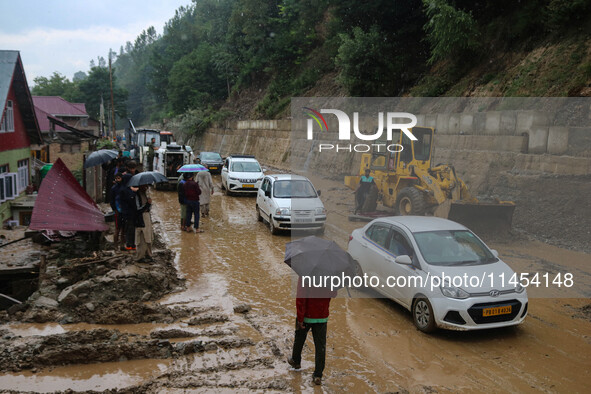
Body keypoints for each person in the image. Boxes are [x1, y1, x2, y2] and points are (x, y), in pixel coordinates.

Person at [288, 276, 337, 385]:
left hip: (306, 316)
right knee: (320, 346)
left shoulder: (305, 272)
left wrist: (300, 318)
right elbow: (333, 294)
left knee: (299, 338)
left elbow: (301, 297)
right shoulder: (331, 274)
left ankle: (296, 361)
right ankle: (318, 375)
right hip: (322, 316)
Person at [119, 174, 138, 250]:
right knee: (130, 229)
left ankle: (131, 244)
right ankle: (129, 245)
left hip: (128, 213)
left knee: (131, 229)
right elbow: (130, 200)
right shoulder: (124, 190)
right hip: (128, 213)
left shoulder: (125, 188)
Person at [134, 184, 153, 261]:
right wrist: (147, 204)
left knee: (149, 236)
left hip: (146, 217)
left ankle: (148, 255)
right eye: (144, 186)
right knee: (141, 238)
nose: (146, 188)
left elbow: (148, 208)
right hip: (140, 218)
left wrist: (149, 204)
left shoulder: (145, 194)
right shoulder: (137, 196)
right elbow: (138, 209)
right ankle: (140, 256)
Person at [110, 173, 126, 249]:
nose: (117, 180)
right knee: (117, 229)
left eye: (119, 178)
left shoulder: (125, 187)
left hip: (124, 211)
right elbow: (112, 201)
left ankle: (122, 245)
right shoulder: (114, 188)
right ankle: (115, 245)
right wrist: (115, 209)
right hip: (117, 211)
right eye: (116, 178)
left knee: (123, 229)